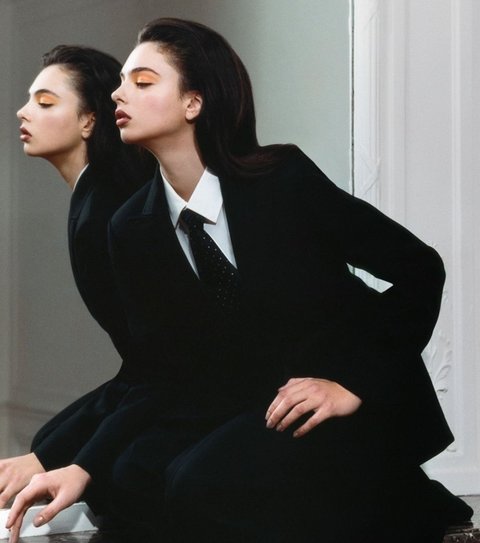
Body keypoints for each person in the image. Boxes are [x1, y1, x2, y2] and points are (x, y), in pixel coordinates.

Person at [7, 19, 473, 543]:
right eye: (121, 83)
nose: (119, 93)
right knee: (123, 479)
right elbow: (155, 371)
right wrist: (82, 464)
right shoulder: (131, 226)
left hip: (343, 390)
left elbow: (420, 268)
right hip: (253, 401)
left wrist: (350, 384)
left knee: (198, 485)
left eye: (143, 82)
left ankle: (402, 497)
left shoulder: (281, 179)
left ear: (194, 103)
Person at [3, 45, 155, 539]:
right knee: (49, 443)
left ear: (90, 121)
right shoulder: (97, 197)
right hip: (161, 380)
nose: (23, 111)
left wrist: (63, 454)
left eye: (45, 102)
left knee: (103, 469)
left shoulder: (108, 210)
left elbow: (156, 363)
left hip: (199, 389)